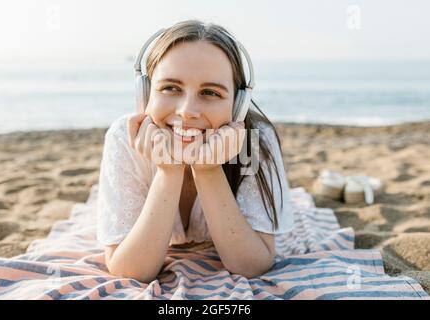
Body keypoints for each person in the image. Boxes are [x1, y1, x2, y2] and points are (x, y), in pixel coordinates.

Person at [96, 19, 294, 283]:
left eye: (210, 92)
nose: (187, 111)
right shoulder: (123, 137)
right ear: (145, 94)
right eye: (170, 88)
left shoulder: (256, 142)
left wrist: (208, 170)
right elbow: (131, 271)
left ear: (238, 105)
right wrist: (168, 172)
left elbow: (251, 266)